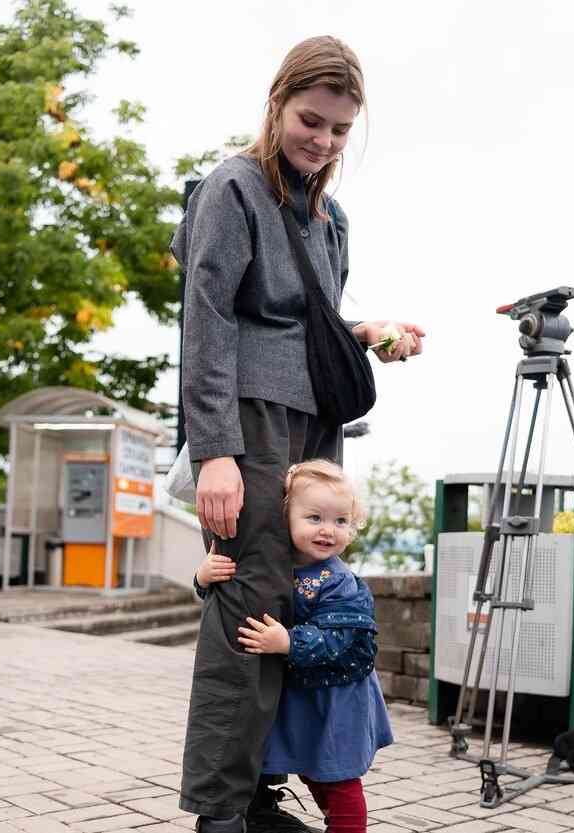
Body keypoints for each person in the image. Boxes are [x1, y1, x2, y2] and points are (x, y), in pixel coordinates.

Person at [170, 34, 424, 833]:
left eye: (341, 129)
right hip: (249, 421)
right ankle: (221, 810)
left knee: (294, 607)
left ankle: (259, 790)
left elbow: (302, 325)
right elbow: (207, 319)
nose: (323, 140)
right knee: (246, 607)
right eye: (310, 120)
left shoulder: (328, 214)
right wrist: (215, 449)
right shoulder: (232, 188)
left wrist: (367, 332)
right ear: (277, 103)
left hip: (316, 422)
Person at [195, 460, 393, 833]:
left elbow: (348, 641)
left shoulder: (339, 582)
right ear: (285, 516)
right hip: (304, 698)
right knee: (312, 771)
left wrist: (289, 641)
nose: (327, 531)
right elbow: (227, 597)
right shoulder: (273, 563)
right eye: (314, 517)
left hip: (337, 700)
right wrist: (202, 578)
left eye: (340, 521)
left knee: (337, 778)